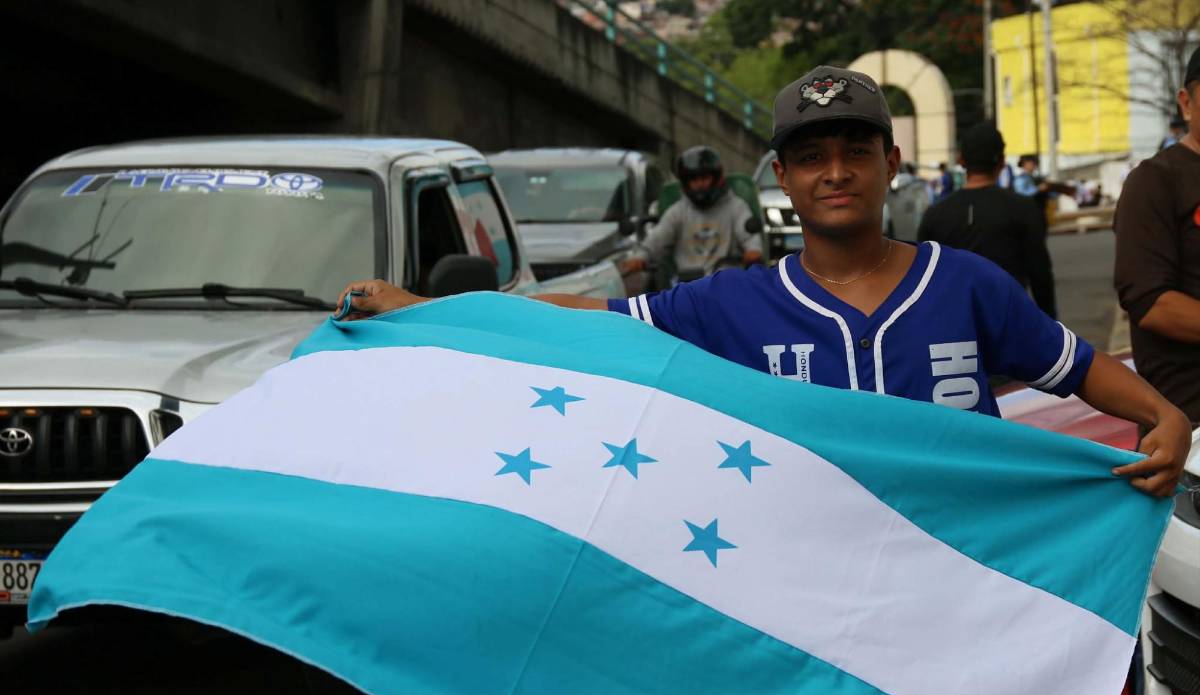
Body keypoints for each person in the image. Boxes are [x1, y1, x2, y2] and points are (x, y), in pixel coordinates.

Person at [339, 65, 1190, 499]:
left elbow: (1075, 366)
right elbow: (580, 320)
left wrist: (1160, 411)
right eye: (812, 156)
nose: (836, 171)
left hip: (961, 582)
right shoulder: (728, 303)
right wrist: (425, 309)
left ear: (892, 162)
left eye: (857, 150)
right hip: (809, 596)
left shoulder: (964, 285)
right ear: (780, 175)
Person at [1113, 45, 1200, 695]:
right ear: (1186, 99)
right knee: (1173, 635)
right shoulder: (1157, 181)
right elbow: (1153, 303)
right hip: (1188, 436)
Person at [917, 122, 1058, 318]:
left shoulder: (935, 214)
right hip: (1010, 322)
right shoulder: (1023, 208)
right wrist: (1050, 325)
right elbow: (1040, 274)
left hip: (956, 328)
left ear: (961, 160)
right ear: (1002, 161)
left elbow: (923, 280)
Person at [618, 145, 763, 289]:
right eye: (693, 179)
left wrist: (753, 251)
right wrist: (639, 258)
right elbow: (657, 238)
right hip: (686, 288)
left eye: (704, 178)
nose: (699, 184)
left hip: (725, 286)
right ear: (685, 183)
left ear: (717, 178)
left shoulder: (736, 207)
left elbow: (749, 236)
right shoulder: (678, 211)